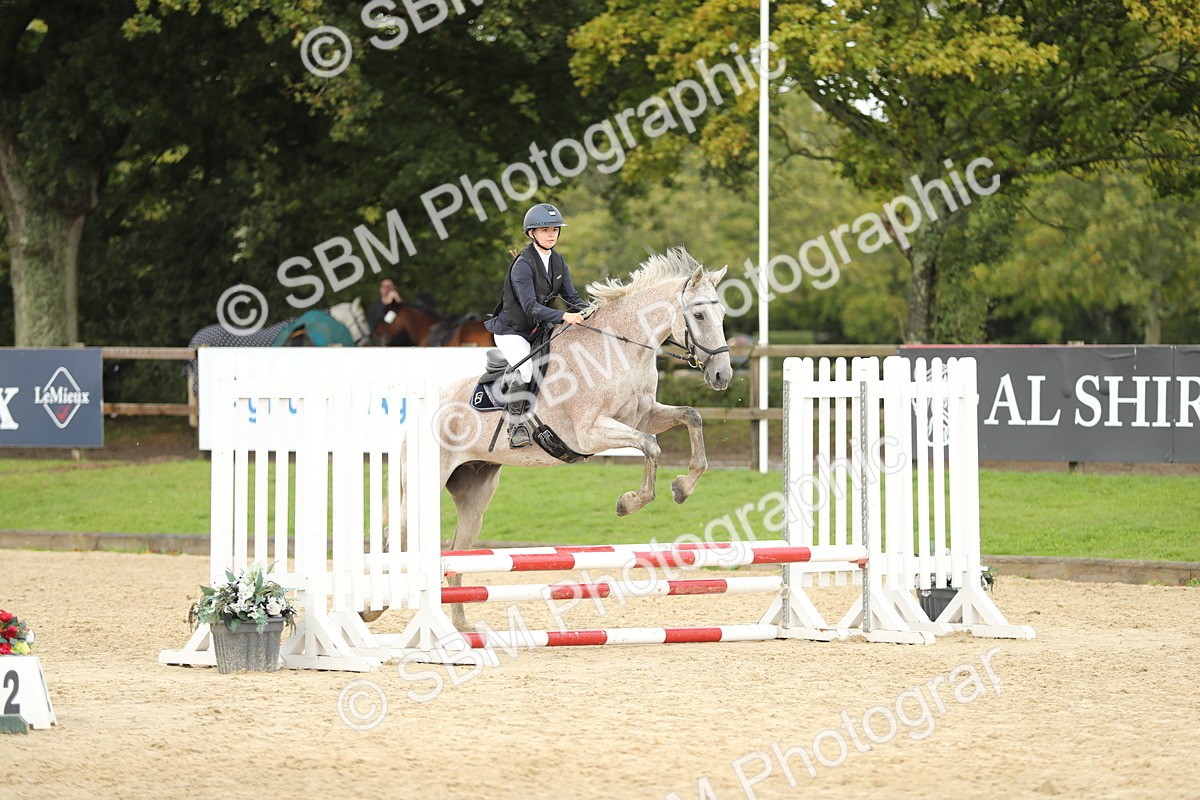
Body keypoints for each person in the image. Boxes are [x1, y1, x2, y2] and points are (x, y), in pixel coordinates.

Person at [484, 202, 587, 448]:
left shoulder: (558, 262)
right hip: (512, 331)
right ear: (532, 233)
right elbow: (530, 307)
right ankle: (516, 426)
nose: (551, 234)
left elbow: (573, 299)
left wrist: (596, 312)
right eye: (545, 230)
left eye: (554, 229)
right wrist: (564, 317)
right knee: (526, 370)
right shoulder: (523, 265)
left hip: (539, 330)